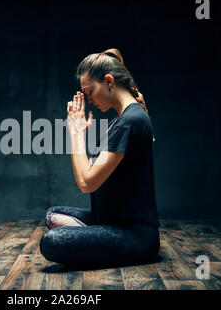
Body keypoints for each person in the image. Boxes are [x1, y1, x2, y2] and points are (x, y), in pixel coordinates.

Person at [39, 48, 160, 268]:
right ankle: (98, 239)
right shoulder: (122, 120)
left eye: (90, 91)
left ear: (109, 81)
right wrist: (80, 134)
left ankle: (100, 241)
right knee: (53, 215)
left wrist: (75, 134)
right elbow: (92, 173)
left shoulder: (131, 121)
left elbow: (86, 183)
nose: (88, 98)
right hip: (110, 219)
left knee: (51, 242)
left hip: (135, 235)